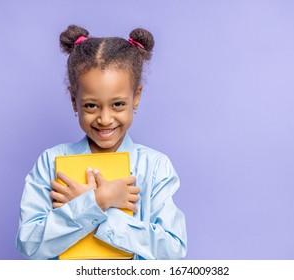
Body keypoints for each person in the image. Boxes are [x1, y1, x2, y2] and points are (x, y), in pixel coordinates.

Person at [16, 25, 187, 260]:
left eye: (117, 104)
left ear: (136, 97)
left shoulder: (155, 167)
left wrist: (94, 208)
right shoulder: (50, 162)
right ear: (74, 100)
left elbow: (172, 250)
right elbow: (30, 243)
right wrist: (98, 200)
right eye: (91, 105)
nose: (105, 119)